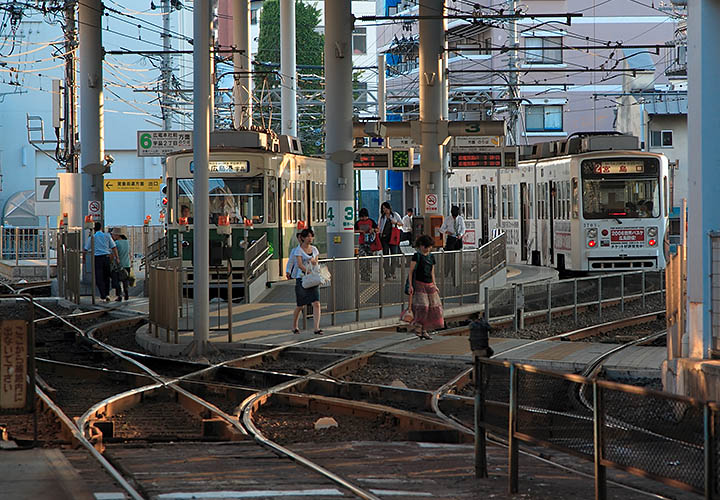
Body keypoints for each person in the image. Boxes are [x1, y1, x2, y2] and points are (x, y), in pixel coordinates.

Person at [407, 234, 444, 340]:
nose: (428, 248)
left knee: (434, 307)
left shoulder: (431, 256)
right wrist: (410, 285)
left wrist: (435, 284)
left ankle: (424, 330)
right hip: (419, 284)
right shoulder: (416, 256)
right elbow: (411, 272)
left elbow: (432, 272)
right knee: (423, 306)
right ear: (421, 246)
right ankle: (418, 328)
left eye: (429, 246)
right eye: (426, 246)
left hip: (429, 284)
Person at [291, 228, 323, 335]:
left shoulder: (314, 249)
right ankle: (294, 325)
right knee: (300, 305)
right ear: (303, 238)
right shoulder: (298, 250)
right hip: (302, 279)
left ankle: (316, 328)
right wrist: (307, 271)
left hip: (313, 279)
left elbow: (316, 262)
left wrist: (314, 264)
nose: (310, 238)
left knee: (316, 303)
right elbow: (299, 264)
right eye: (308, 236)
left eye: (311, 236)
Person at [84, 222, 119, 302]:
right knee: (106, 277)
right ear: (101, 228)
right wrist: (117, 257)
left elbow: (86, 249)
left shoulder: (92, 237)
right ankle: (107, 294)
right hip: (107, 258)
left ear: (94, 229)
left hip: (98, 258)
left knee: (99, 277)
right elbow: (114, 247)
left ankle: (103, 295)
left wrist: (84, 259)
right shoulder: (107, 236)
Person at [378, 201, 403, 279]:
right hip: (384, 238)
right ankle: (387, 273)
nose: (384, 210)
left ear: (389, 208)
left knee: (394, 255)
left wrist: (395, 222)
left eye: (385, 208)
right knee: (386, 256)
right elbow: (380, 227)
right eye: (383, 209)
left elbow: (401, 223)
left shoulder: (395, 215)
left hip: (393, 237)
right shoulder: (382, 217)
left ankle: (393, 272)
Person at [355, 208, 378, 281]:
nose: (364, 218)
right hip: (362, 242)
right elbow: (354, 230)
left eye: (365, 217)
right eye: (362, 217)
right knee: (362, 259)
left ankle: (368, 275)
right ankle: (363, 275)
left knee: (369, 260)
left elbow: (377, 229)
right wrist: (360, 231)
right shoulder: (358, 222)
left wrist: (373, 230)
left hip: (370, 243)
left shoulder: (371, 221)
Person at [110, 227, 131, 301]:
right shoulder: (127, 242)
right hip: (127, 264)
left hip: (118, 265)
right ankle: (126, 293)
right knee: (125, 280)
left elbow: (113, 254)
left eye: (113, 235)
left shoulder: (116, 243)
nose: (112, 236)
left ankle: (119, 295)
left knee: (116, 281)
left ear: (117, 235)